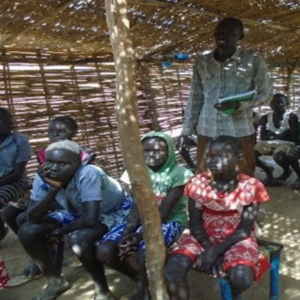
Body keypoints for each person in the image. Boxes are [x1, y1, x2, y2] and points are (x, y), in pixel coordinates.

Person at [17, 140, 131, 300]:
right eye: (50, 161)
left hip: (112, 212)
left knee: (80, 239)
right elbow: (32, 217)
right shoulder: (43, 175)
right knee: (28, 230)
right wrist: (53, 190)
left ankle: (102, 290)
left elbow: (91, 219)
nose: (54, 168)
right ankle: (55, 281)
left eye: (62, 163)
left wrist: (59, 231)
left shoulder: (88, 173)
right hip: (76, 211)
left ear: (77, 164)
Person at [165, 135, 270, 300]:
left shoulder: (251, 186)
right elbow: (194, 222)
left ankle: (234, 295)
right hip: (203, 235)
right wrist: (209, 249)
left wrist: (216, 252)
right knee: (173, 269)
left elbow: (244, 230)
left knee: (242, 278)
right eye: (211, 155)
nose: (214, 160)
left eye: (222, 156)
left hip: (237, 238)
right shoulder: (197, 183)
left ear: (238, 158)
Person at [96, 131, 193, 300]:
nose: (152, 155)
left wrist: (140, 235)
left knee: (145, 251)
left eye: (159, 150)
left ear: (169, 151)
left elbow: (165, 210)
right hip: (141, 218)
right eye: (146, 150)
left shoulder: (180, 174)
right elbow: (136, 206)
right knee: (105, 250)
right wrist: (127, 233)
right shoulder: (135, 172)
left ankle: (146, 289)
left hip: (170, 220)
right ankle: (139, 279)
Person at [178, 17, 272, 176]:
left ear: (240, 36)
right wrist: (186, 130)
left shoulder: (252, 59)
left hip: (239, 130)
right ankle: (210, 202)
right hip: (207, 129)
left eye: (231, 33)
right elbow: (195, 97)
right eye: (220, 32)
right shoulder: (202, 61)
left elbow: (266, 94)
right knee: (206, 176)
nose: (223, 36)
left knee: (243, 176)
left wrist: (239, 105)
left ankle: (242, 202)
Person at [0, 107, 31, 241]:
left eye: (9, 120)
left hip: (16, 183)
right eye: (3, 120)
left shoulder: (20, 141)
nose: (9, 123)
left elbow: (17, 173)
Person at [254, 93, 299, 186]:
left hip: (286, 143)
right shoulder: (266, 117)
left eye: (279, 102)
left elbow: (294, 137)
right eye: (272, 102)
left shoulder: (291, 117)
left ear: (286, 104)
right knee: (251, 156)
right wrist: (282, 135)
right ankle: (268, 170)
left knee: (279, 157)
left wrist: (272, 135)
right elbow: (262, 136)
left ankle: (286, 172)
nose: (275, 105)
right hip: (267, 143)